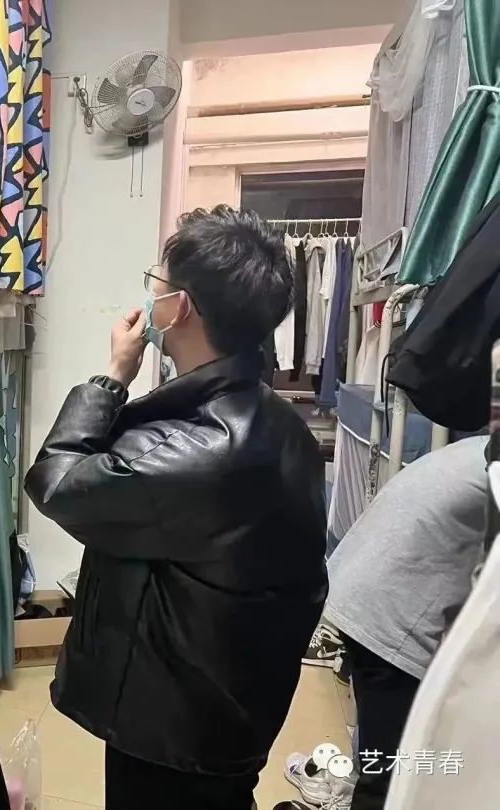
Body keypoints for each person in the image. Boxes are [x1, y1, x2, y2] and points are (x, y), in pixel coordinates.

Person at [25, 206, 328, 810]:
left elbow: (55, 483)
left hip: (175, 726)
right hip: (230, 706)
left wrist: (112, 378)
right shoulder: (278, 421)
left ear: (179, 307)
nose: (151, 295)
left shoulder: (201, 449)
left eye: (157, 283)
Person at [284, 436, 487, 810]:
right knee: (392, 775)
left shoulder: (479, 449)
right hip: (391, 614)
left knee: (390, 754)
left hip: (368, 586)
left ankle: (355, 780)